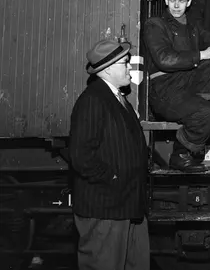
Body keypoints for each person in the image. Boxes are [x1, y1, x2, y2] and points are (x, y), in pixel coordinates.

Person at [70, 39, 149, 270]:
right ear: (107, 70)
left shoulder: (118, 99)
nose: (129, 67)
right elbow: (81, 156)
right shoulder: (93, 100)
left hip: (127, 205)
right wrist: (113, 178)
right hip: (106, 207)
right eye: (125, 63)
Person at [143, 0, 210, 171]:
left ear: (189, 2)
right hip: (164, 89)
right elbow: (164, 59)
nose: (176, 6)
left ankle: (202, 105)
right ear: (165, 1)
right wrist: (201, 54)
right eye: (172, 1)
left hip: (186, 86)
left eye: (181, 1)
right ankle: (180, 154)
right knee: (207, 113)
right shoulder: (155, 24)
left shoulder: (193, 27)